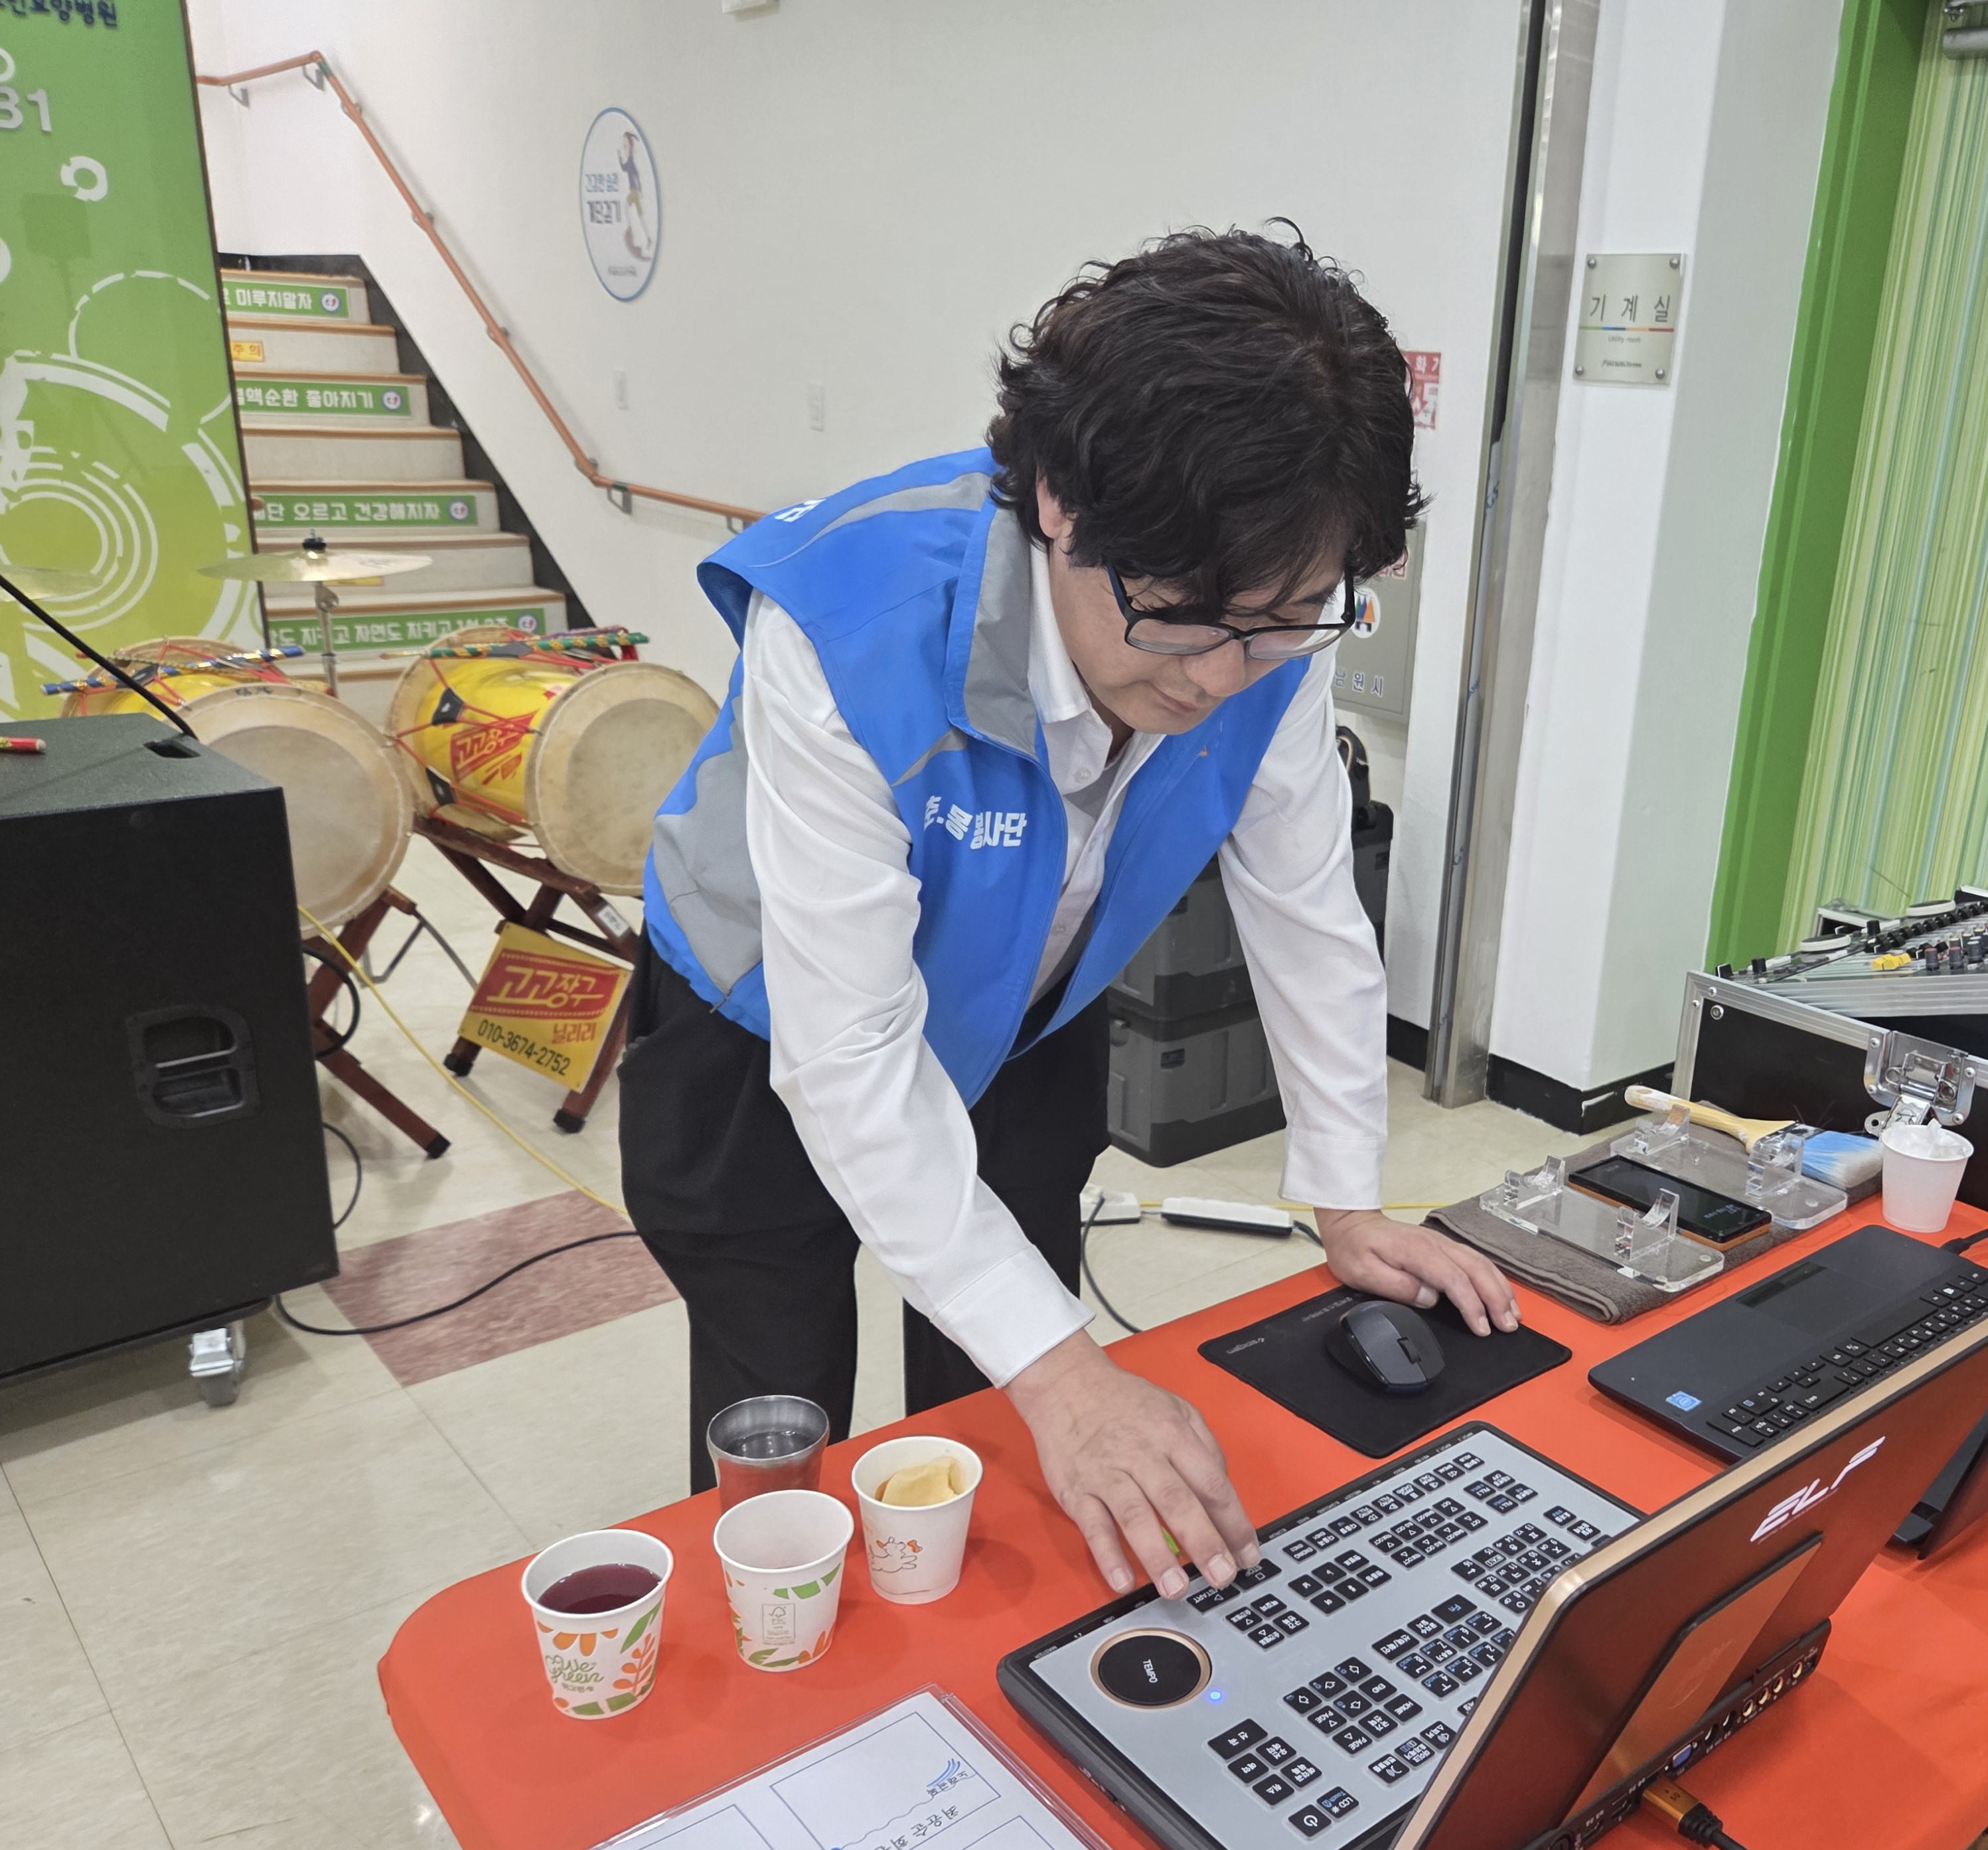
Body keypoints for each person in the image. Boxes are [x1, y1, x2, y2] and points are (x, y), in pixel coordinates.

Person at [623, 227, 1515, 1601]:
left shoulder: (1266, 633)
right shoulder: (850, 619)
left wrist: (1343, 1196)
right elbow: (847, 1051)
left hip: (1026, 1023)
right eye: (1179, 617)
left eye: (1284, 618)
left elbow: (1305, 906)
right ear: (1055, 502)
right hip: (762, 1023)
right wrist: (1068, 1376)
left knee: (1004, 1404)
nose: (1220, 676)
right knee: (781, 1411)